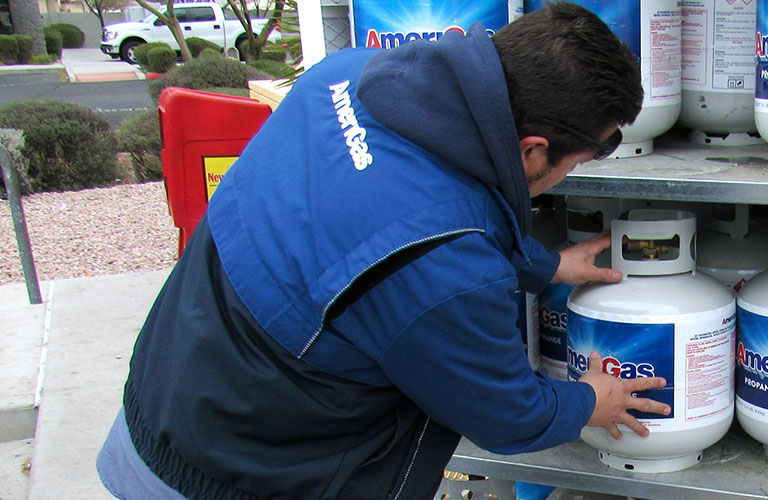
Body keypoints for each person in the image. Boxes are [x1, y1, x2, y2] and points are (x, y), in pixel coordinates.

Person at [95, 3, 671, 498]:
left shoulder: (347, 76)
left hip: (166, 395)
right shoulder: (443, 265)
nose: (573, 174)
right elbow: (506, 414)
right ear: (532, 149)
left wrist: (542, 264)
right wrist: (588, 402)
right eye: (579, 161)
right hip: (238, 475)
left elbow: (387, 222)